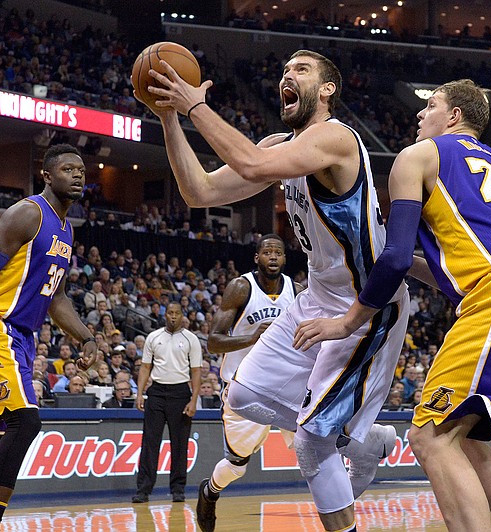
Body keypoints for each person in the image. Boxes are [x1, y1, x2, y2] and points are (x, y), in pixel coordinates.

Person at [293, 79, 491, 531]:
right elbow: (456, 262)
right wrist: (408, 265)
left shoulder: (419, 156)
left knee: (428, 435)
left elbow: (392, 255)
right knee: (461, 434)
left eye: (429, 106)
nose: (418, 115)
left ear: (453, 117)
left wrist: (347, 322)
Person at [146, 50, 409, 531]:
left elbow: (248, 164)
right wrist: (169, 120)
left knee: (310, 443)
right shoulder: (277, 145)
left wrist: (194, 107)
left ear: (327, 89)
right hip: (315, 297)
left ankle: (343, 447)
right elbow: (198, 193)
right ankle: (362, 440)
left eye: (301, 70)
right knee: (242, 395)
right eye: (284, 70)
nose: (287, 76)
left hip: (367, 304)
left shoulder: (336, 136)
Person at [0, 144, 97, 532]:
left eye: (82, 170)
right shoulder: (28, 212)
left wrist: (86, 337)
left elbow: (58, 298)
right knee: (26, 422)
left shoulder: (66, 229)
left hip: (20, 334)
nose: (78, 175)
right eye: (68, 169)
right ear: (47, 176)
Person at [196, 234, 300, 532]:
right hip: (245, 389)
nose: (272, 257)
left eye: (277, 253)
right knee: (237, 465)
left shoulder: (297, 290)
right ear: (257, 257)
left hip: (284, 389)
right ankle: (210, 491)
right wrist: (254, 338)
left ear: (284, 258)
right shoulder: (241, 287)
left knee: (313, 446)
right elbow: (214, 342)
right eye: (266, 252)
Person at [132, 303, 201, 504]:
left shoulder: (191, 339)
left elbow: (196, 371)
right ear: (165, 315)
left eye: (176, 313)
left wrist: (193, 399)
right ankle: (144, 489)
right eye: (169, 313)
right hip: (156, 393)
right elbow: (145, 367)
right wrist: (139, 393)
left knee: (179, 444)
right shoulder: (153, 337)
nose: (172, 317)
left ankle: (178, 489)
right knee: (149, 443)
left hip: (180, 393)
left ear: (182, 316)